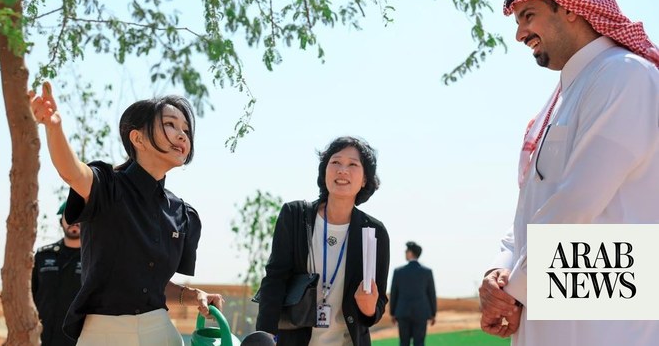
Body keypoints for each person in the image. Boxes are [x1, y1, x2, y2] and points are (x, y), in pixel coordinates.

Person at [478, 0, 659, 345]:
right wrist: (500, 270)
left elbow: (578, 201)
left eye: (529, 15)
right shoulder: (561, 98)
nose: (520, 34)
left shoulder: (625, 74)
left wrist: (515, 289)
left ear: (572, 7)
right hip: (549, 311)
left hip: (605, 324)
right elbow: (530, 207)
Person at [30, 82, 224, 345]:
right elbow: (72, 172)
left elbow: (153, 286)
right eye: (170, 124)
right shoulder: (107, 186)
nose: (182, 135)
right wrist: (54, 128)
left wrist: (192, 295)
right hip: (103, 333)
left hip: (160, 332)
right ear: (138, 138)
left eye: (186, 130)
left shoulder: (182, 213)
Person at [255, 136, 390, 345]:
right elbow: (275, 280)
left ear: (364, 179)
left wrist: (369, 306)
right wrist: (264, 337)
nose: (342, 170)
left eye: (352, 164)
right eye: (335, 162)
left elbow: (377, 304)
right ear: (324, 171)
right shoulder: (294, 215)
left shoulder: (374, 231)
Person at [32, 201, 82, 346]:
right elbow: (30, 294)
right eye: (70, 217)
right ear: (61, 222)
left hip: (77, 340)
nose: (75, 222)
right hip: (41, 338)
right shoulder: (43, 256)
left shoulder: (93, 260)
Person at [390, 241, 436, 346]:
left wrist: (393, 313)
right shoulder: (427, 272)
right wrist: (433, 313)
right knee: (419, 343)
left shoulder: (398, 271)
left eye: (406, 251)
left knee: (403, 343)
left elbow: (394, 294)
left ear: (410, 253)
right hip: (421, 313)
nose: (405, 253)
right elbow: (431, 294)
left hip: (402, 313)